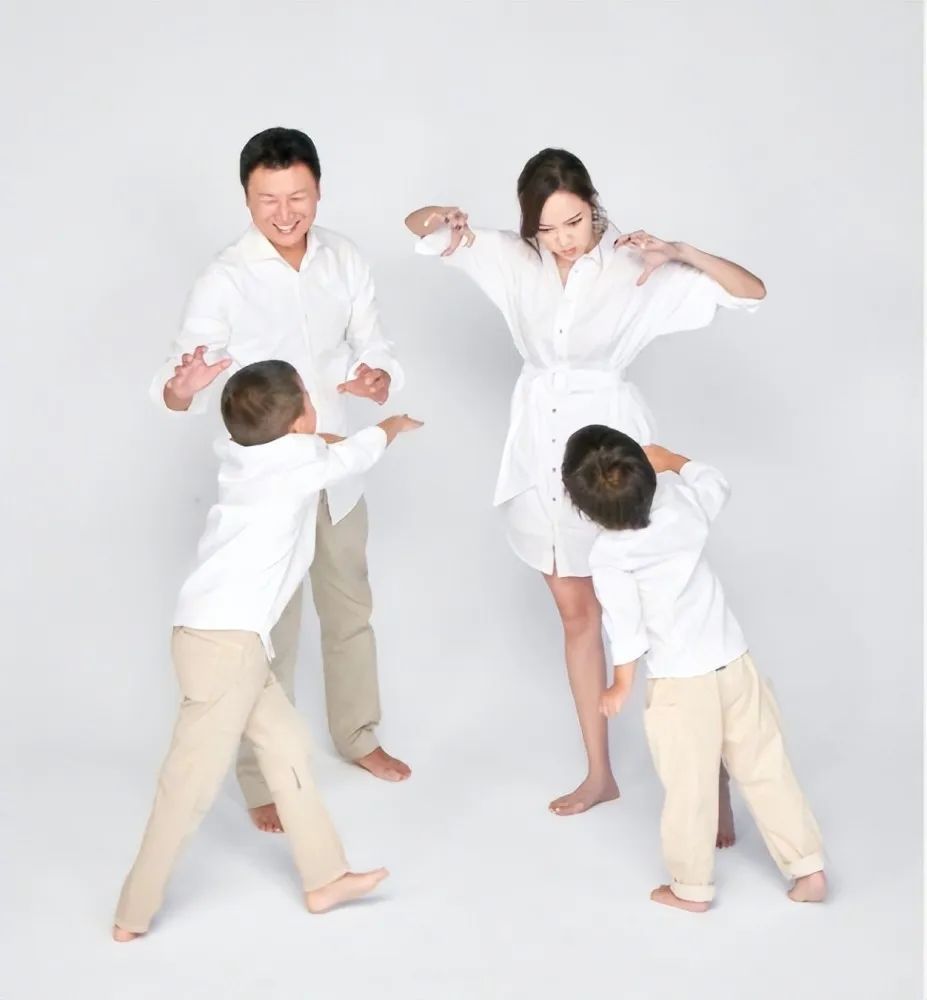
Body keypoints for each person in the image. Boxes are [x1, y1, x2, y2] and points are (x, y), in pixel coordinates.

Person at [405, 148, 765, 821]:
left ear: (593, 205)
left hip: (613, 466)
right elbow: (420, 228)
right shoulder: (514, 260)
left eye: (574, 222)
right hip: (540, 464)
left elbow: (751, 293)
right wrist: (440, 215)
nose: (565, 240)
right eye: (548, 229)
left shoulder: (636, 265)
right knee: (579, 619)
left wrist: (681, 251)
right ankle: (599, 773)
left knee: (665, 618)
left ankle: (710, 778)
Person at [153, 127, 410, 837]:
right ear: (246, 197)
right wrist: (182, 388)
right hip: (267, 490)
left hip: (336, 471)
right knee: (267, 632)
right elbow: (173, 386)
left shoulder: (344, 257)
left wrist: (377, 376)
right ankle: (258, 776)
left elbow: (373, 343)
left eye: (298, 196)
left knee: (349, 608)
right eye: (268, 199)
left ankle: (357, 734)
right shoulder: (224, 278)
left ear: (318, 190)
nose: (285, 212)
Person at [114, 361, 423, 940]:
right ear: (300, 420)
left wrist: (321, 437)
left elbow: (320, 446)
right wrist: (392, 425)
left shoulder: (241, 454)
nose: (315, 403)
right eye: (308, 396)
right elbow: (353, 455)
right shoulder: (299, 466)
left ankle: (325, 878)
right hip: (226, 646)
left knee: (287, 747)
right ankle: (133, 911)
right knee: (188, 785)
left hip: (218, 638)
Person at [562, 425, 826, 911]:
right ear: (646, 471)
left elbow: (626, 626)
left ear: (584, 509)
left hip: (681, 684)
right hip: (734, 663)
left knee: (689, 786)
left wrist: (621, 683)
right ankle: (808, 868)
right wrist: (674, 459)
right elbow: (716, 483)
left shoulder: (610, 556)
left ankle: (691, 887)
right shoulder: (681, 505)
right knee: (766, 768)